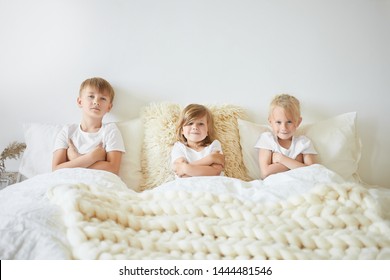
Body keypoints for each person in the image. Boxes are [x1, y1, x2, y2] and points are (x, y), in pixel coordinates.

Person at [52, 77, 125, 175]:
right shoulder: (67, 131)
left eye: (103, 98)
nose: (96, 102)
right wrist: (92, 157)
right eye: (91, 96)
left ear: (109, 107)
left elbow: (113, 169)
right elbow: (56, 169)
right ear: (80, 101)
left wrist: (76, 158)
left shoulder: (110, 130)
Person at [256, 94, 317, 179]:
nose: (283, 128)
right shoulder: (267, 139)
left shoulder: (304, 143)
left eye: (289, 122)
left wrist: (281, 158)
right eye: (278, 122)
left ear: (298, 122)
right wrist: (297, 161)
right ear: (270, 121)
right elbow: (265, 173)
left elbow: (313, 172)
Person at [171, 104, 224, 178]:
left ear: (208, 130)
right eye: (190, 123)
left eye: (201, 124)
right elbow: (182, 175)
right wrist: (210, 159)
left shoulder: (214, 145)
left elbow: (215, 172)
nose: (195, 127)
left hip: (212, 186)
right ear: (182, 130)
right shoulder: (179, 147)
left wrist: (185, 168)